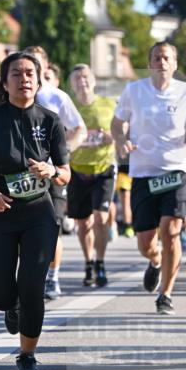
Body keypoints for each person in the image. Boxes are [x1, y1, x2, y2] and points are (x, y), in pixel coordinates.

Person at [0, 52, 70, 370]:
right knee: (0, 295)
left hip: (39, 212)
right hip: (0, 210)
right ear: (5, 83)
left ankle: (27, 355)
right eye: (16, 74)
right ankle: (12, 306)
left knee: (32, 286)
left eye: (29, 74)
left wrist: (51, 170)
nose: (24, 79)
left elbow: (65, 173)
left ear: (39, 80)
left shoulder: (50, 121)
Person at [111, 42, 186, 315]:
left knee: (171, 231)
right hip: (143, 173)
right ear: (150, 62)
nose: (162, 62)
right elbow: (117, 123)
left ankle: (165, 294)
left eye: (167, 58)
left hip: (175, 171)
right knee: (146, 243)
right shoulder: (134, 90)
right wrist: (120, 142)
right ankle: (154, 261)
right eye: (157, 57)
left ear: (175, 64)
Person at [23, 45, 87, 299]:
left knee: (51, 226)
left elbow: (79, 129)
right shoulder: (12, 95)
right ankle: (28, 275)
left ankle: (53, 276)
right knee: (24, 227)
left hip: (52, 173)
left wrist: (62, 153)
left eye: (36, 65)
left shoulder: (57, 97)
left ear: (45, 67)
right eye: (27, 65)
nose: (31, 71)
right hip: (21, 175)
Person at [67, 64, 117, 287]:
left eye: (86, 77)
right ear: (71, 84)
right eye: (77, 78)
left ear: (94, 81)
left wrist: (112, 136)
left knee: (100, 218)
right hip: (77, 170)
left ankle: (100, 262)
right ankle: (88, 262)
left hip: (104, 168)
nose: (82, 81)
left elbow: (121, 129)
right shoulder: (68, 108)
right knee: (83, 223)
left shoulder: (108, 104)